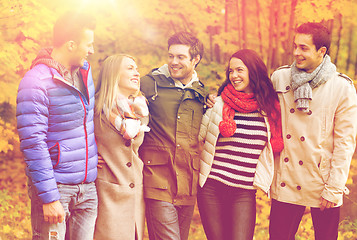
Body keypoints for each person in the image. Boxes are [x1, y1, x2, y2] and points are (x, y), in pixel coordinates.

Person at [269, 22, 357, 240]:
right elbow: (257, 107)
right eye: (295, 46)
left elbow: (345, 142)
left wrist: (334, 188)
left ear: (321, 51)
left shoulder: (342, 87)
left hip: (322, 181)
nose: (296, 52)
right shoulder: (280, 78)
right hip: (286, 179)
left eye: (304, 48)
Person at [16, 11, 98, 240]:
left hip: (88, 187)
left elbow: (89, 122)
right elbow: (33, 143)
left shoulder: (85, 72)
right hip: (57, 187)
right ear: (71, 44)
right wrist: (50, 198)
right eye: (88, 44)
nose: (91, 50)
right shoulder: (36, 82)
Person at [197, 49, 284, 240]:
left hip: (244, 193)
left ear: (253, 71)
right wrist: (203, 105)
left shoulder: (269, 109)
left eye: (239, 70)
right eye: (230, 71)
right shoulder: (218, 104)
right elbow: (197, 137)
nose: (234, 76)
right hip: (212, 189)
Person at [139, 31, 209, 240]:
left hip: (187, 181)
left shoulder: (200, 93)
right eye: (171, 56)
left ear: (195, 60)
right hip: (157, 179)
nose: (173, 62)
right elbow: (111, 102)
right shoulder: (148, 84)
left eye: (180, 57)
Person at [93, 54, 149, 240]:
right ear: (114, 73)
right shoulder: (96, 109)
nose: (137, 73)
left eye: (137, 68)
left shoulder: (139, 110)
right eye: (130, 68)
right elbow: (77, 141)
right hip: (107, 193)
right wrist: (88, 158)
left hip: (135, 193)